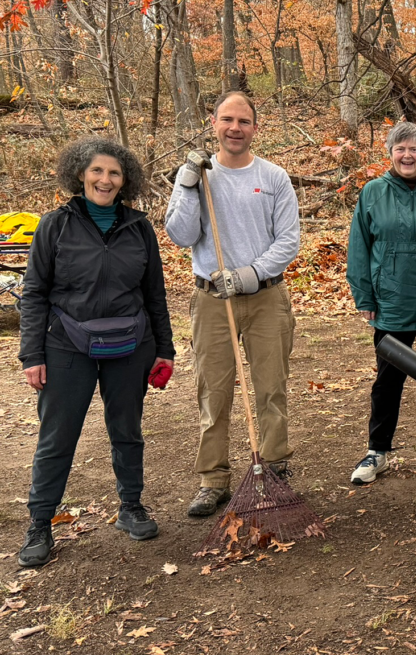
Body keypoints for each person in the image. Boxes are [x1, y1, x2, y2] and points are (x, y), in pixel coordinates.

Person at [17, 138, 175, 567]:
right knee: (57, 437)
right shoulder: (55, 225)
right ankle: (40, 523)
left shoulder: (139, 227)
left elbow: (154, 293)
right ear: (80, 175)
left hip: (130, 345)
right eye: (97, 171)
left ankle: (131, 507)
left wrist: (165, 349)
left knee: (127, 429)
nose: (105, 180)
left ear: (126, 181)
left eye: (115, 173)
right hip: (66, 345)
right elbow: (34, 293)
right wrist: (32, 354)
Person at [165, 91, 300, 517]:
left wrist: (248, 274)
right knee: (214, 390)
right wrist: (187, 184)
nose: (235, 128)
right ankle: (214, 480)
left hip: (265, 297)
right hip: (210, 301)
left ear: (254, 128)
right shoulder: (199, 177)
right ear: (214, 124)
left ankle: (274, 466)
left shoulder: (274, 176)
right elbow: (181, 235)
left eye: (243, 121)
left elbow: (289, 240)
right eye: (227, 120)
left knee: (271, 386)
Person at [346, 122, 416, 485]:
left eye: (414, 149)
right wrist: (364, 294)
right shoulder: (373, 192)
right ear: (390, 152)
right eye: (401, 148)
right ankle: (377, 450)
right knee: (388, 379)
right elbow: (359, 247)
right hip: (392, 301)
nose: (407, 155)